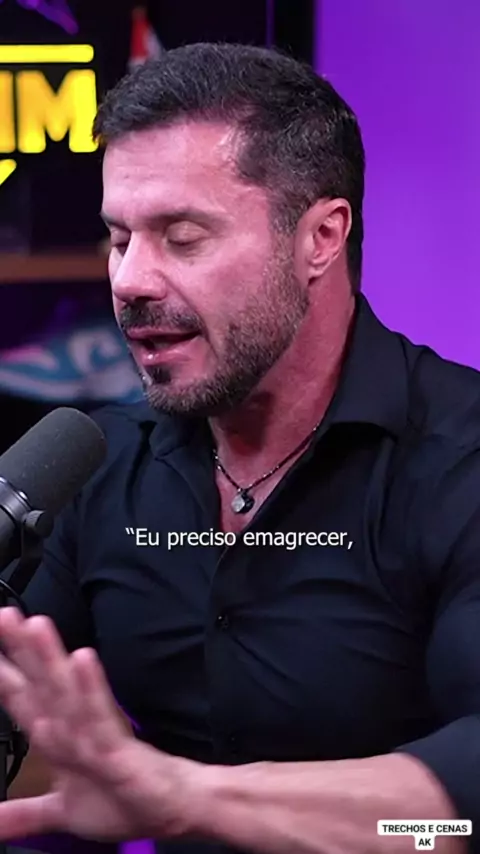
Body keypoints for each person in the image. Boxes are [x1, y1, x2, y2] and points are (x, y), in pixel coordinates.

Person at [1, 42, 479, 853]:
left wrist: (182, 797)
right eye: (119, 239)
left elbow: (461, 816)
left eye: (182, 237)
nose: (130, 280)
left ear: (321, 237)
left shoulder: (459, 462)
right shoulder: (100, 465)